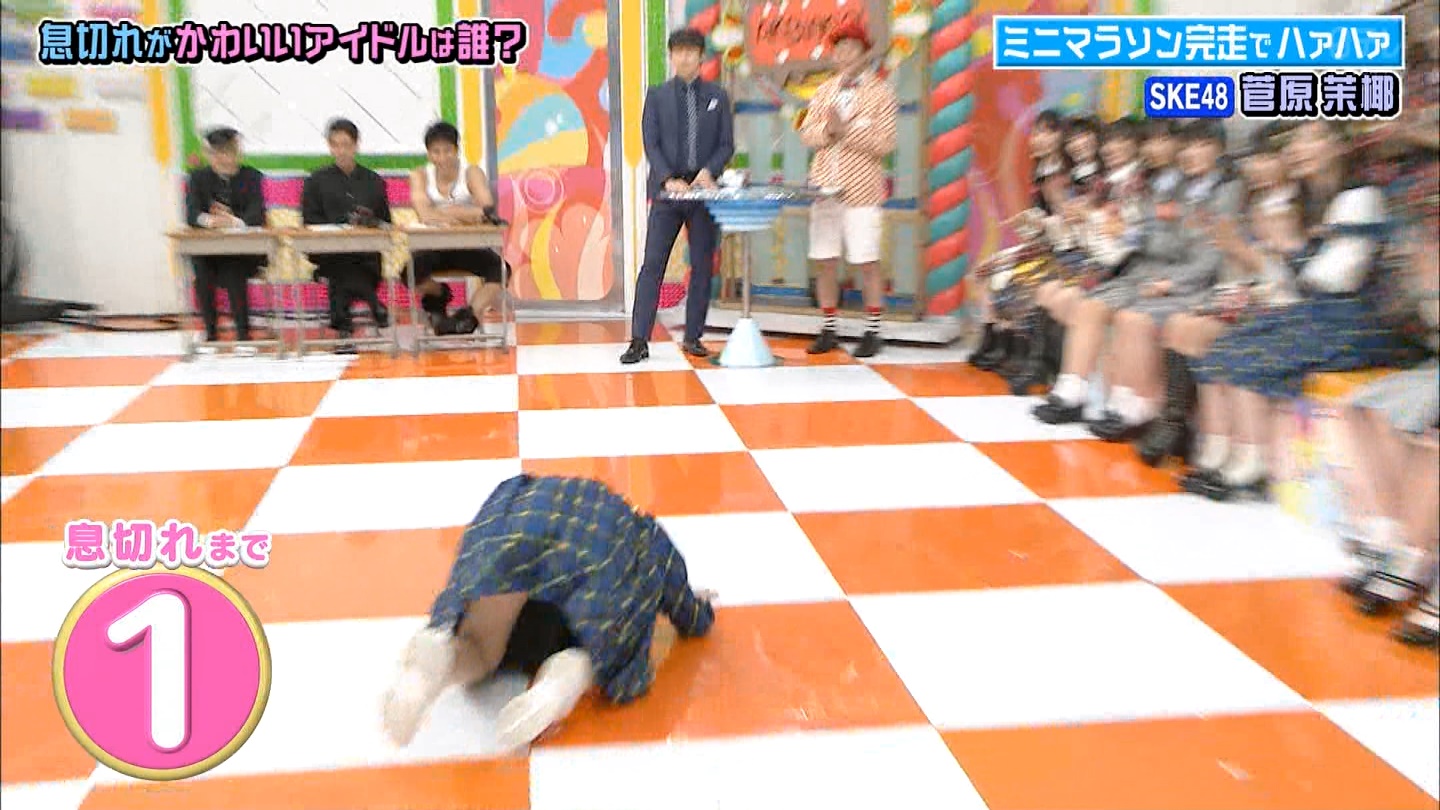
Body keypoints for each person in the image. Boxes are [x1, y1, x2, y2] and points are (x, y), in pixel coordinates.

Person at [383, 474, 716, 751]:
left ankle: (437, 661)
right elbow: (684, 606)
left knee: (480, 647)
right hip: (592, 573)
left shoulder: (524, 491)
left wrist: (454, 606)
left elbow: (485, 529)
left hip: (515, 544)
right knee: (592, 648)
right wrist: (697, 611)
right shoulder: (643, 531)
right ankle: (560, 684)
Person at [1181, 120, 1407, 502]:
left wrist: (1289, 247)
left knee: (1248, 359)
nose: (1297, 149)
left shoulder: (1360, 197)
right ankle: (1217, 453)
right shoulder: (1305, 202)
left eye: (1311, 138)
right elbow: (1291, 279)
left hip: (1355, 323)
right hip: (1315, 314)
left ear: (1340, 145)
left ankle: (1252, 462)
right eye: (1294, 141)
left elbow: (1338, 279)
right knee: (1220, 351)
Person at [622, 27, 734, 365]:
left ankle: (693, 337)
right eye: (678, 51)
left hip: (702, 194)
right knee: (652, 264)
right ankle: (639, 340)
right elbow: (651, 142)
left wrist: (708, 172)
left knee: (702, 265)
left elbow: (726, 144)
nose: (684, 57)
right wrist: (668, 178)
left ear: (701, 56)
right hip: (668, 194)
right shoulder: (657, 95)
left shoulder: (718, 96)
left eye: (691, 51)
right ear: (671, 56)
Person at [798, 22, 899, 359]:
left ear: (865, 53)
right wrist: (828, 132)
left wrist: (846, 132)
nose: (845, 55)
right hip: (824, 189)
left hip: (861, 192)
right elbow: (807, 134)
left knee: (867, 261)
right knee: (825, 260)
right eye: (839, 49)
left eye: (852, 49)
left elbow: (886, 143)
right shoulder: (823, 91)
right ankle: (829, 328)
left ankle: (873, 330)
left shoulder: (881, 93)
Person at [970, 109, 1067, 373]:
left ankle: (1016, 347)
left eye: (1048, 132)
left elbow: (1064, 220)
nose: (1039, 138)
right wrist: (1026, 221)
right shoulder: (1041, 169)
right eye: (1036, 132)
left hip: (1058, 253)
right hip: (1040, 245)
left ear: (1061, 136)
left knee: (1013, 278)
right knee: (985, 271)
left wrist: (1036, 222)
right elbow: (1041, 218)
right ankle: (994, 339)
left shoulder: (1060, 173)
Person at [408, 121, 507, 336]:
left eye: (448, 151)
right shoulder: (420, 175)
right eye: (436, 152)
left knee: (500, 270)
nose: (442, 158)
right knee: (409, 272)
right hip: (432, 248)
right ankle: (440, 294)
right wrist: (465, 214)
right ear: (428, 154)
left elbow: (486, 209)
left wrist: (444, 212)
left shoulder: (471, 173)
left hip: (468, 246)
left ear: (456, 150)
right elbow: (424, 214)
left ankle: (468, 315)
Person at [301, 118, 392, 348]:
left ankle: (343, 327)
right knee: (340, 263)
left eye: (346, 145)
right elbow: (309, 220)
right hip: (328, 252)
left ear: (356, 145)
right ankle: (373, 302)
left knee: (344, 271)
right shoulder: (315, 181)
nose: (341, 151)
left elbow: (386, 223)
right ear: (329, 146)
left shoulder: (374, 181)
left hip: (366, 254)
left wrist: (368, 221)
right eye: (335, 145)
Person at [183, 127, 267, 344]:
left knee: (234, 269)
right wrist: (211, 221)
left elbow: (257, 214)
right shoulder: (197, 178)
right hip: (210, 253)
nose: (223, 158)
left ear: (238, 153)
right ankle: (210, 332)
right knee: (201, 270)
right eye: (217, 153)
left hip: (243, 253)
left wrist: (234, 222)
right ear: (208, 154)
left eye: (228, 152)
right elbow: (191, 214)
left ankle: (243, 332)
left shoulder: (252, 177)